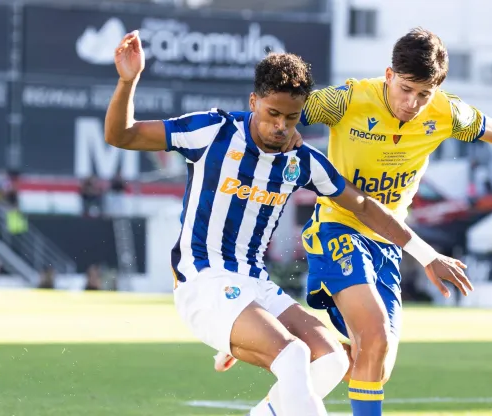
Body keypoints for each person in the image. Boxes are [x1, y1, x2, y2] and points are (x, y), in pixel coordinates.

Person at [221, 27, 492, 416]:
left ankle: (270, 383)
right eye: (405, 89)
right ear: (389, 75)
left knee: (374, 360)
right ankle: (257, 336)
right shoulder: (348, 100)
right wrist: (281, 130)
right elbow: (279, 109)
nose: (412, 102)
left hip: (390, 242)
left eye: (423, 94)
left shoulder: (447, 112)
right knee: (372, 331)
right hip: (337, 229)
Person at [104, 31, 471, 416]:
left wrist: (425, 255)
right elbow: (121, 134)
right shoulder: (213, 132)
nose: (280, 126)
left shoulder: (301, 161)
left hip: (255, 284)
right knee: (294, 355)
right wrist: (128, 81)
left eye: (291, 118)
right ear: (254, 102)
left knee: (331, 360)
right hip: (203, 280)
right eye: (272, 114)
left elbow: (364, 205)